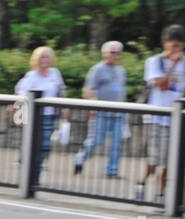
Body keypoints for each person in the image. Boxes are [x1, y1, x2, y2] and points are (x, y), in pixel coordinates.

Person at [137, 24, 185, 202]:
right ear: (165, 43)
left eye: (179, 45)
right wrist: (172, 65)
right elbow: (161, 84)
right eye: (173, 44)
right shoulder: (155, 62)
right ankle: (141, 182)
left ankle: (160, 194)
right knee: (154, 159)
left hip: (176, 119)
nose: (176, 49)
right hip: (156, 117)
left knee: (169, 160)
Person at [15, 46, 69, 181]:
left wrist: (64, 110)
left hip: (49, 115)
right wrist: (21, 115)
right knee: (32, 145)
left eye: (46, 57)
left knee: (45, 147)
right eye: (41, 57)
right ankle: (30, 175)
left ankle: (33, 172)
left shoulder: (55, 73)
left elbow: (61, 92)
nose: (44, 60)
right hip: (34, 115)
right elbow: (22, 96)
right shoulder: (31, 76)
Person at [74, 41, 126, 179]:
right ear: (104, 53)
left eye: (117, 52)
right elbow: (88, 89)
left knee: (116, 143)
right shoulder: (97, 69)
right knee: (95, 141)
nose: (115, 55)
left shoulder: (121, 71)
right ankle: (81, 157)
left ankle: (112, 170)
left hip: (118, 112)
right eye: (112, 52)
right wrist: (92, 107)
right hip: (101, 113)